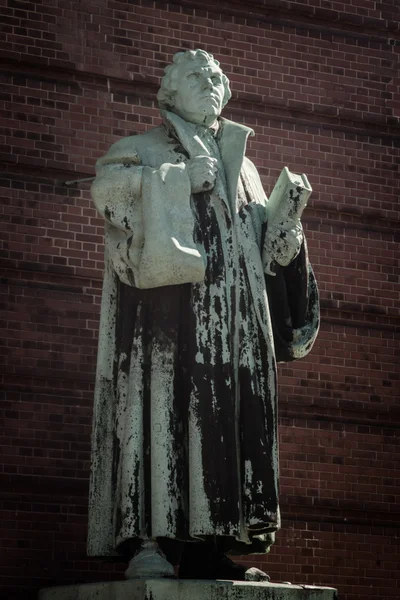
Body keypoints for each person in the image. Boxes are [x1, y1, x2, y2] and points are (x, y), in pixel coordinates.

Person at [88, 49, 319, 580]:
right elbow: (109, 194)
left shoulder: (247, 169)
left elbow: (264, 254)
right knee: (162, 419)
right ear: (170, 91)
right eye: (196, 76)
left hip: (238, 326)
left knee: (226, 427)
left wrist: (286, 229)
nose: (210, 83)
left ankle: (211, 547)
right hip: (169, 324)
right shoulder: (141, 149)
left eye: (216, 76)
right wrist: (174, 181)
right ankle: (152, 543)